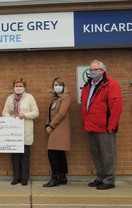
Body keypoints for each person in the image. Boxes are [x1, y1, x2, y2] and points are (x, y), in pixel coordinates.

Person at [81, 60, 122, 190]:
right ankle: (100, 177)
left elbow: (116, 106)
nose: (92, 72)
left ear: (102, 71)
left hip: (105, 127)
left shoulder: (111, 84)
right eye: (90, 70)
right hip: (91, 125)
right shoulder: (88, 85)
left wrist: (112, 125)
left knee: (108, 154)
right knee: (96, 154)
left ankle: (109, 180)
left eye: (95, 70)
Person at [2, 78, 39, 186]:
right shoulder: (9, 98)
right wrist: (10, 117)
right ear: (13, 87)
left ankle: (24, 178)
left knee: (25, 156)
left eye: (20, 86)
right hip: (13, 131)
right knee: (15, 156)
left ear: (24, 87)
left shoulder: (29, 97)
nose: (18, 88)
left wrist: (25, 115)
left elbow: (36, 113)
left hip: (25, 130)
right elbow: (4, 112)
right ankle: (16, 177)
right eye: (16, 86)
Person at [43, 77, 71, 187]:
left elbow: (61, 113)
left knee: (52, 152)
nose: (57, 87)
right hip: (55, 127)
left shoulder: (66, 97)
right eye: (55, 84)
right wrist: (47, 124)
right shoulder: (54, 98)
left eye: (59, 84)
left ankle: (55, 177)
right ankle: (62, 176)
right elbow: (50, 113)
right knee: (59, 152)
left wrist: (51, 125)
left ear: (63, 86)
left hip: (60, 128)